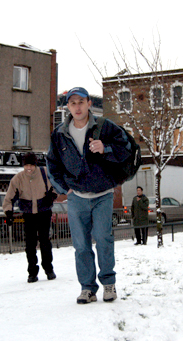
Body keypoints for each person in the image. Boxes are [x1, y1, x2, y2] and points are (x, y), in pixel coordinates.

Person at [46, 87, 132, 304]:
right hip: (76, 198)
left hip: (103, 194)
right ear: (67, 106)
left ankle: (108, 283)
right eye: (72, 103)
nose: (77, 107)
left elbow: (126, 149)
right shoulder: (59, 134)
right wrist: (64, 188)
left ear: (89, 104)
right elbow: (52, 164)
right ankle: (87, 288)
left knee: (103, 239)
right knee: (81, 245)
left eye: (81, 102)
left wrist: (107, 148)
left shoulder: (105, 127)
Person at [3, 152, 57, 283]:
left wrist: (52, 196)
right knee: (30, 244)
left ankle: (49, 269)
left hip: (44, 212)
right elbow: (8, 198)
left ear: (35, 165)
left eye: (31, 165)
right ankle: (32, 272)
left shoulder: (45, 173)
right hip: (28, 214)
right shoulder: (17, 179)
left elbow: (56, 185)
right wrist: (8, 213)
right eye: (26, 165)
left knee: (45, 241)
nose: (29, 168)